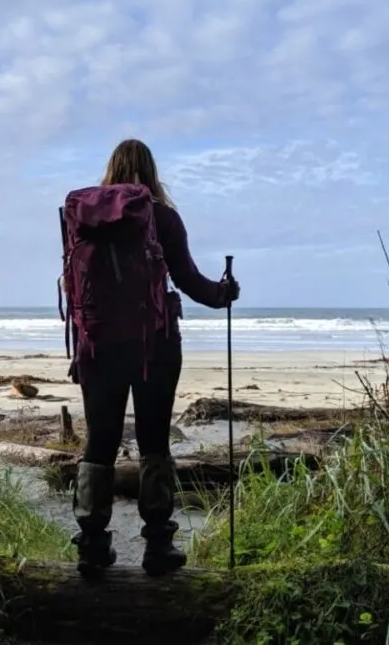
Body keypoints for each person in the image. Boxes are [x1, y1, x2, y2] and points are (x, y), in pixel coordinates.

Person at [62, 138, 240, 576]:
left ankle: (91, 544)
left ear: (111, 170)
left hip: (96, 347)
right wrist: (223, 295)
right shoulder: (162, 217)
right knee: (153, 440)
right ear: (150, 171)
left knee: (99, 440)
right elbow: (188, 279)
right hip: (154, 346)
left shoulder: (82, 219)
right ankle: (158, 545)